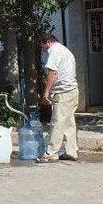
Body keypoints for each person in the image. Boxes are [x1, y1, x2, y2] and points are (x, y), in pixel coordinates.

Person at [37, 34, 79, 163]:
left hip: (63, 92)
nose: (43, 49)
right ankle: (71, 151)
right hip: (72, 90)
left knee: (57, 122)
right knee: (69, 122)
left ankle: (51, 153)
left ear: (48, 42)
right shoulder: (65, 50)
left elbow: (53, 73)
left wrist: (46, 92)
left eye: (43, 46)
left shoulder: (54, 51)